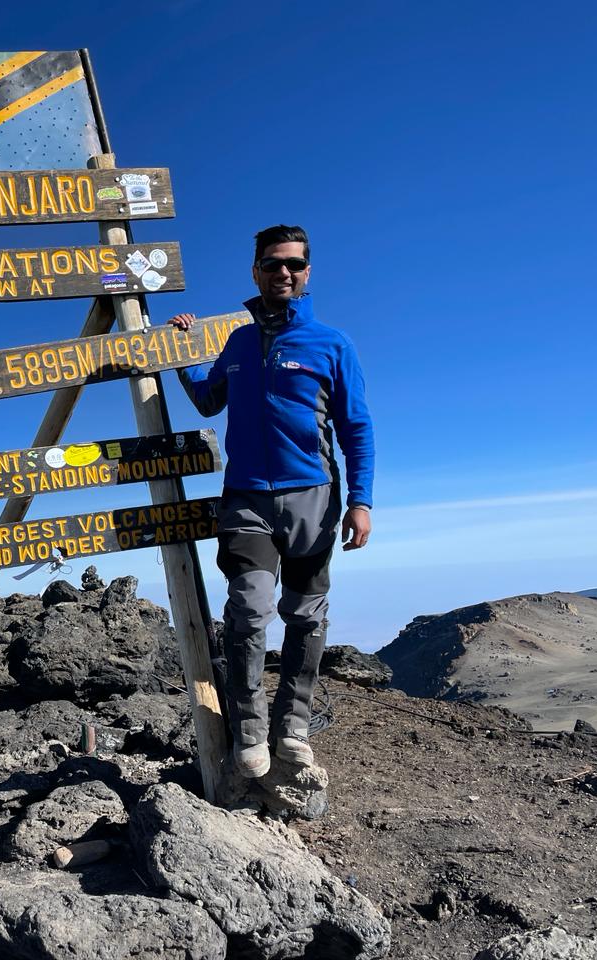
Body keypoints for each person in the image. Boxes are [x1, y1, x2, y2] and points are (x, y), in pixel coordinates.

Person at [169, 224, 374, 778]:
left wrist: (362, 500)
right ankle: (251, 731)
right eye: (272, 263)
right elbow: (210, 402)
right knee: (248, 613)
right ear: (255, 271)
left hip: (313, 498)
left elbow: (356, 426)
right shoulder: (236, 342)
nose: (284, 272)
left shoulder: (332, 344)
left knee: (306, 616)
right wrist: (185, 353)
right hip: (246, 501)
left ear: (307, 273)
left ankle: (294, 727)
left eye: (295, 264)